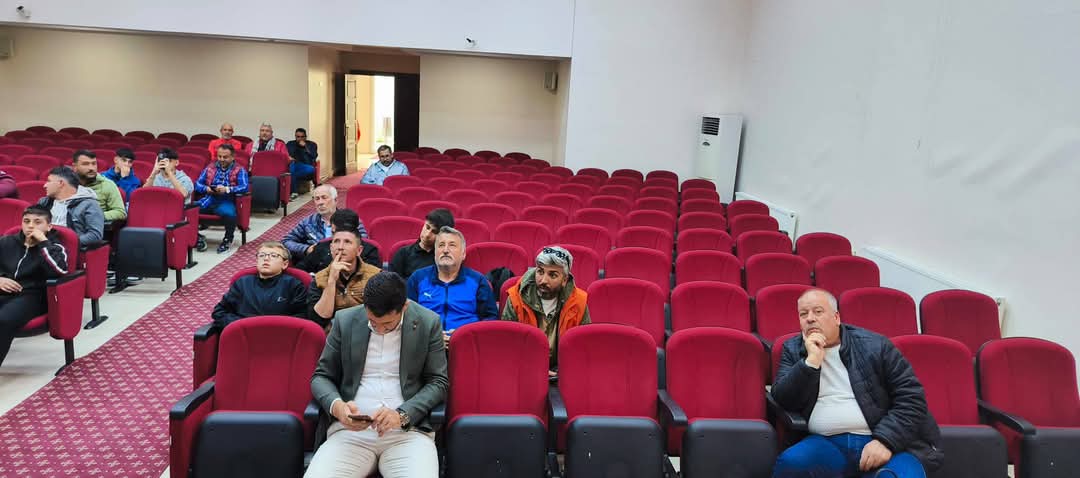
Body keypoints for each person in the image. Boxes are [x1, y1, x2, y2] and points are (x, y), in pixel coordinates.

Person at [771, 289, 942, 478]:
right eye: (803, 314)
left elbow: (911, 397)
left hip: (884, 441)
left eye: (818, 311)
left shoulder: (875, 345)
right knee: (792, 464)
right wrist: (810, 363)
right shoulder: (793, 349)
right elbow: (783, 398)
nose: (810, 318)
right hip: (825, 444)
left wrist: (886, 441)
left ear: (836, 317)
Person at [306, 271, 447, 477]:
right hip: (350, 433)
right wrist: (338, 407)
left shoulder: (428, 322)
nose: (379, 330)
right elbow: (321, 376)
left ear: (404, 307)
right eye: (373, 322)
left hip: (407, 433)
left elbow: (438, 381)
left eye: (388, 325)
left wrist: (403, 414)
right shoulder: (345, 320)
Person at [502, 246, 590, 372]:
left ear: (564, 280)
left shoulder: (579, 302)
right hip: (523, 370)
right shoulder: (516, 298)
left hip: (564, 372)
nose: (543, 280)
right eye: (540, 272)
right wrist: (534, 368)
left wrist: (562, 372)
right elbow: (508, 345)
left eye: (552, 275)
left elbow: (583, 348)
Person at [0, 205, 69, 367]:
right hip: (3, 289)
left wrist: (43, 243)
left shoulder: (54, 247)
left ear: (49, 226)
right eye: (26, 221)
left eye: (38, 222)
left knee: (3, 319)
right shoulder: (6, 242)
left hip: (33, 295)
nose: (31, 226)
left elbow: (60, 271)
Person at [406, 226, 498, 343]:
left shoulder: (478, 281)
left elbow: (490, 319)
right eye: (441, 245)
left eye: (452, 245)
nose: (445, 250)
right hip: (425, 343)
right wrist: (430, 335)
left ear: (463, 254)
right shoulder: (418, 278)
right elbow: (406, 316)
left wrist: (463, 335)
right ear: (435, 253)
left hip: (466, 343)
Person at [210, 242, 309, 328]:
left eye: (273, 255)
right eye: (261, 255)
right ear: (257, 261)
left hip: (280, 335)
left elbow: (302, 316)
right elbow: (220, 312)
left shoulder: (293, 285)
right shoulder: (242, 283)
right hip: (243, 334)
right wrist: (241, 324)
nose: (266, 258)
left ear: (285, 264)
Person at [308, 228, 383, 330]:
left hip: (367, 330)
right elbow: (319, 319)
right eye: (336, 241)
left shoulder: (376, 276)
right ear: (331, 248)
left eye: (347, 242)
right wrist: (331, 280)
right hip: (332, 333)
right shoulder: (319, 279)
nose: (340, 247)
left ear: (359, 250)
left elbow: (381, 315)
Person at [282, 184, 367, 261]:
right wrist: (306, 249)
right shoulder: (308, 222)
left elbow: (364, 242)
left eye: (324, 197)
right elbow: (286, 241)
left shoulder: (350, 219)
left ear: (335, 200)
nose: (320, 202)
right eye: (317, 199)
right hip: (316, 263)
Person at [195, 144, 249, 253]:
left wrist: (227, 189)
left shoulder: (239, 169)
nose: (221, 159)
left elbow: (244, 187)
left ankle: (227, 239)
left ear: (232, 157)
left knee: (230, 214)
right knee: (188, 210)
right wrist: (207, 189)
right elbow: (197, 184)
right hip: (209, 198)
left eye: (225, 157)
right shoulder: (210, 167)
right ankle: (197, 237)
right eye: (219, 156)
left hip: (226, 200)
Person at [295, 209, 381, 273]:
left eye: (346, 240)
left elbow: (372, 280)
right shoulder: (322, 247)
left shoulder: (369, 251)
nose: (340, 245)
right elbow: (300, 271)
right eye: (333, 233)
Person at [38, 167, 104, 246]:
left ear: (61, 183)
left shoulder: (89, 204)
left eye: (49, 181)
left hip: (71, 249)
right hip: (43, 246)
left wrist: (67, 243)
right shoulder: (44, 202)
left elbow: (95, 235)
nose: (45, 185)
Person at [388, 208, 454, 279]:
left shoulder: (446, 258)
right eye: (427, 227)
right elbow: (392, 283)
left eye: (435, 232)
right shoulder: (403, 253)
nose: (427, 235)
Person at [72, 150, 126, 222]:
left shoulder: (107, 184)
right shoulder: (67, 184)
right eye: (85, 164)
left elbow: (120, 212)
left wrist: (93, 216)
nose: (91, 168)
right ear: (74, 167)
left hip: (96, 225)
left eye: (94, 164)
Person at [285, 127, 318, 200]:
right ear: (295, 136)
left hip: (306, 166)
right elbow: (285, 155)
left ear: (306, 137)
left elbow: (314, 156)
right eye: (298, 137)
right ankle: (294, 192)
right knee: (291, 165)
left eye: (302, 137)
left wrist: (305, 147)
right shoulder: (290, 144)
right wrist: (289, 157)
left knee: (311, 169)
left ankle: (291, 180)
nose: (300, 139)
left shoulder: (312, 144)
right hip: (293, 165)